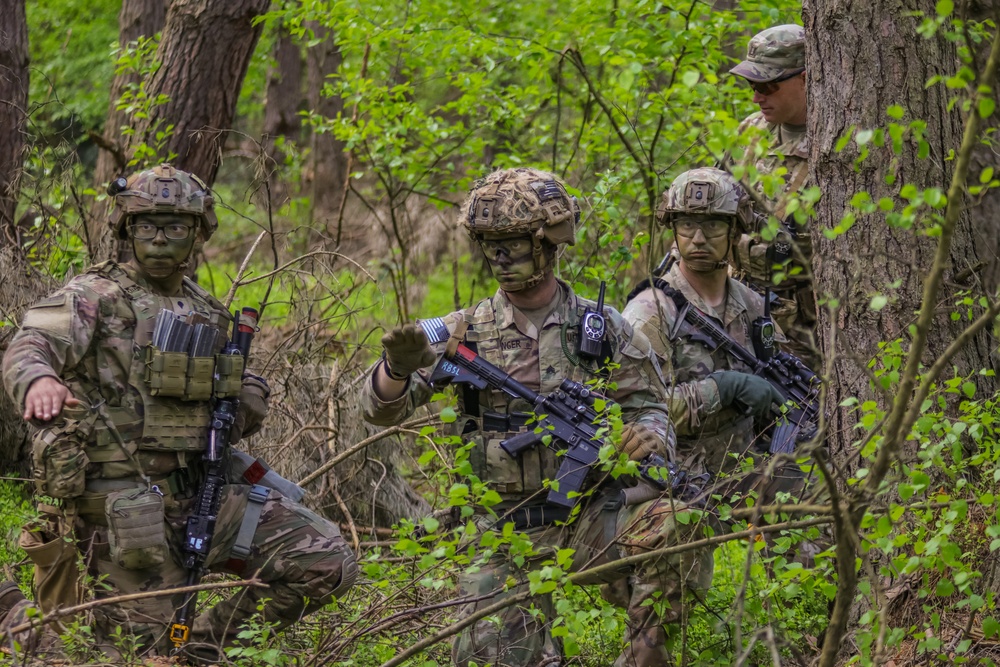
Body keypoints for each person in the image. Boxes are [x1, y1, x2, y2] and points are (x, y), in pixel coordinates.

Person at [1, 164, 358, 662]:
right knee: (110, 653)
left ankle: (198, 651)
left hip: (200, 498)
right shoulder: (92, 297)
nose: (160, 239)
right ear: (128, 229)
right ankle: (10, 613)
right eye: (147, 226)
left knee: (326, 562)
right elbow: (30, 345)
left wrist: (248, 394)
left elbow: (219, 396)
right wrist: (39, 379)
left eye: (176, 227)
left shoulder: (208, 311)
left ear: (197, 233)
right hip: (117, 515)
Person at [362, 167, 712, 667]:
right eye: (490, 245)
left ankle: (644, 657)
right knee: (494, 657)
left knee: (684, 520)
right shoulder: (463, 331)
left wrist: (649, 437)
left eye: (514, 244)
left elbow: (650, 406)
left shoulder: (603, 327)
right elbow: (378, 409)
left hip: (590, 518)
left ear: (549, 243)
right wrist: (396, 367)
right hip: (502, 530)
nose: (500, 258)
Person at [622, 168, 808, 524]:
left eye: (713, 226)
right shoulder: (650, 310)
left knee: (812, 482)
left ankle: (791, 579)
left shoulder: (752, 304)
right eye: (687, 225)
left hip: (745, 463)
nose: (698, 238)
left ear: (733, 231)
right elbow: (638, 413)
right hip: (678, 477)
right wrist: (721, 389)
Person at [727, 23, 820, 372]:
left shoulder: (837, 147)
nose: (756, 97)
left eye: (767, 85)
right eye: (752, 85)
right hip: (736, 310)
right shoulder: (751, 131)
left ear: (807, 78)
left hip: (805, 334)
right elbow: (716, 207)